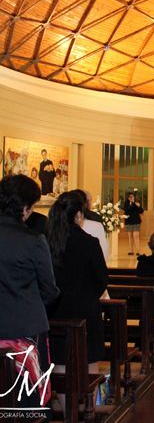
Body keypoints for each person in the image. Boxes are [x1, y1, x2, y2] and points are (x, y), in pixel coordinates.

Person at [0, 175, 59, 409]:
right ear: (24, 208)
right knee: (29, 401)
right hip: (26, 328)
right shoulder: (33, 240)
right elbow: (50, 290)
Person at [46, 191, 108, 372]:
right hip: (86, 310)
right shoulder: (89, 242)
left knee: (60, 363)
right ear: (79, 215)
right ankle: (89, 400)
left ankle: (64, 401)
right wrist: (88, 296)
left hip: (57, 310)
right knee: (89, 361)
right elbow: (101, 279)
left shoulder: (48, 241)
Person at [71, 189, 109, 261]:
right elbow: (103, 252)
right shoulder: (96, 224)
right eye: (89, 201)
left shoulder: (58, 225)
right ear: (85, 203)